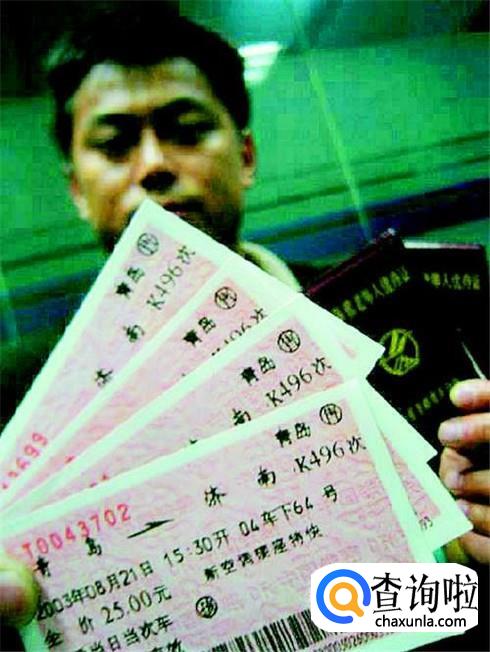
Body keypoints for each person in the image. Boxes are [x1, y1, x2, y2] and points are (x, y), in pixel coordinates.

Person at [1, 2, 488, 644]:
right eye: (114, 144)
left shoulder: (406, 312)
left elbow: (451, 604)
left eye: (186, 129)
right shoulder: (11, 402)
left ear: (247, 153)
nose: (153, 164)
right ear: (75, 189)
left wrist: (464, 571)